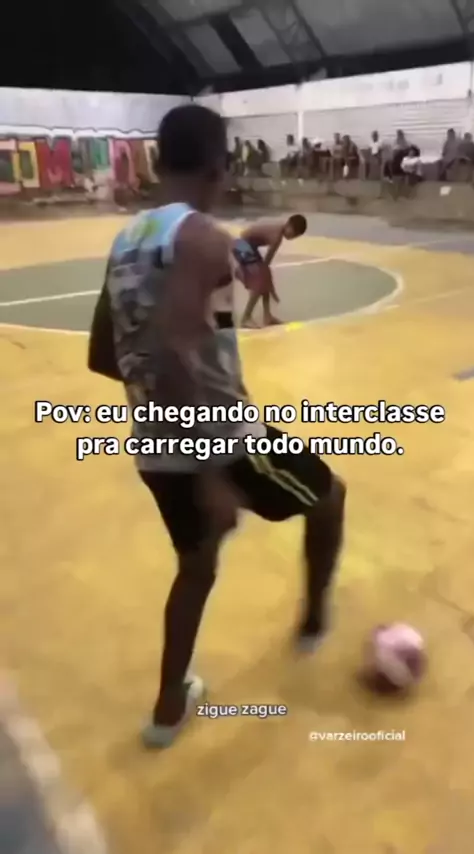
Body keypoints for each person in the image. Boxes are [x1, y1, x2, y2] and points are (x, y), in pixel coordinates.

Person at [87, 104, 345, 749]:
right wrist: (209, 471)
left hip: (153, 444)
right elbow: (177, 345)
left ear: (158, 161)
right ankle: (314, 621)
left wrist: (158, 412)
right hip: (220, 439)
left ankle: (168, 706)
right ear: (217, 165)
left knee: (196, 566)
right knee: (331, 498)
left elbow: (102, 355)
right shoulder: (201, 238)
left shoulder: (128, 241)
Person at [237, 214, 307, 328]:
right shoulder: (276, 236)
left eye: (295, 237)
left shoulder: (279, 226)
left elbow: (265, 268)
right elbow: (265, 266)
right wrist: (272, 290)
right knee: (259, 282)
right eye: (293, 234)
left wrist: (269, 284)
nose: (292, 238)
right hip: (242, 245)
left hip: (247, 245)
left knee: (264, 278)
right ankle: (246, 318)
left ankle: (267, 316)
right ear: (289, 225)